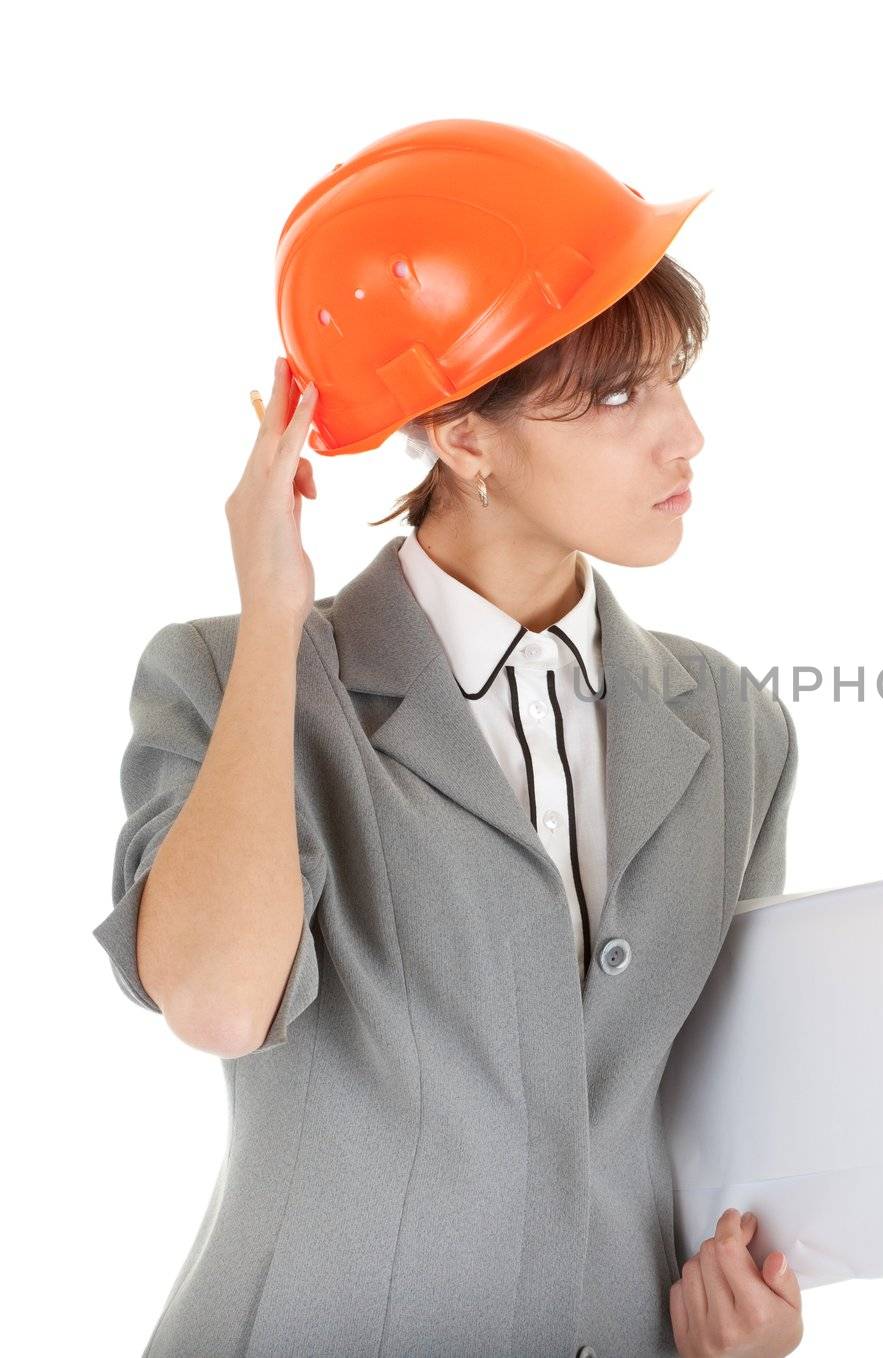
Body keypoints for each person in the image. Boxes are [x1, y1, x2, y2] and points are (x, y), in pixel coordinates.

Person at [93, 211, 803, 1353]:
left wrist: (747, 1318)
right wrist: (276, 624)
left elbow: (733, 1099)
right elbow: (219, 1004)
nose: (688, 436)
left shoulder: (728, 719)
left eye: (675, 380)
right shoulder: (225, 675)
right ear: (466, 438)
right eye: (621, 396)